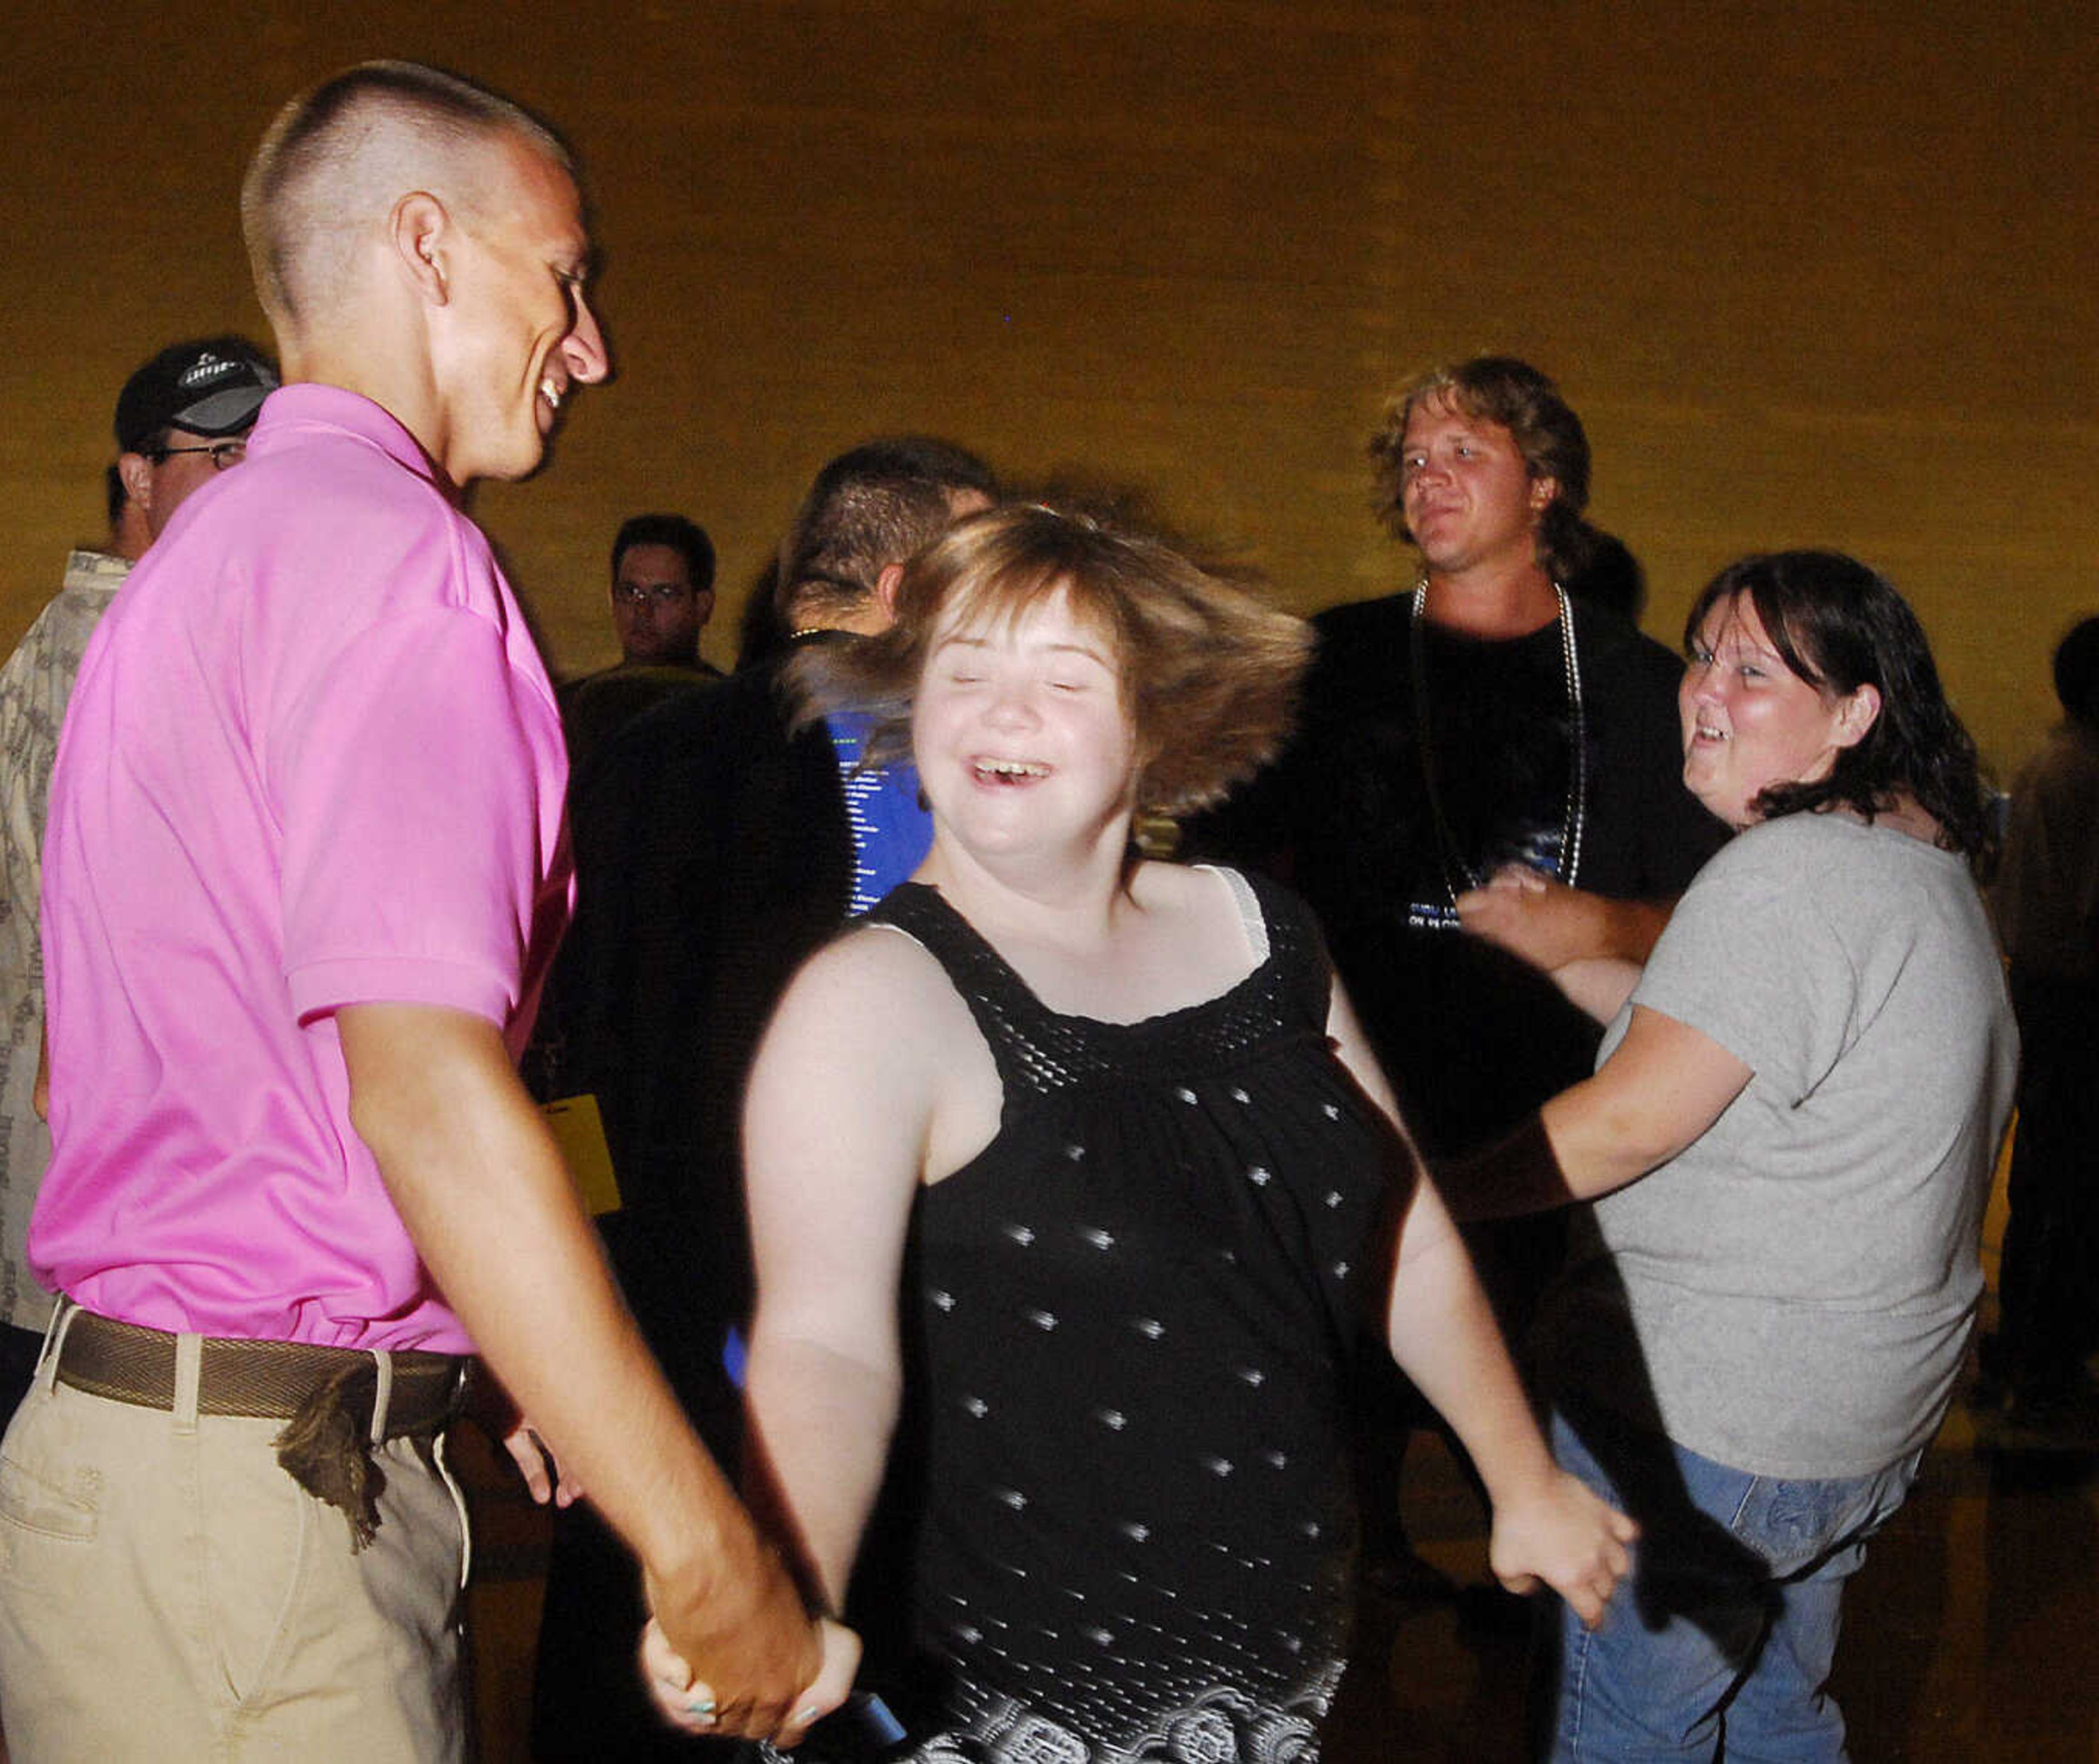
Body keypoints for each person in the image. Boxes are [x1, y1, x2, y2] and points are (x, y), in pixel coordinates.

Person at [0, 62, 829, 1760]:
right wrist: (703, 1537)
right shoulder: (397, 563)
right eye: (566, 275)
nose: (590, 343)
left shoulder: (203, 568)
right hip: (255, 1529)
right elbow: (428, 1088)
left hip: (168, 1477)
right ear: (428, 246)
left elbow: (129, 1079)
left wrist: (479, 1343)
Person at [647, 501, 1636, 1761]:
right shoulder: (875, 996)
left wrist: (1523, 1478)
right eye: (965, 672)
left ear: (1157, 720)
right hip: (1024, 1697)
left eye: (1062, 679)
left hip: (1274, 1673)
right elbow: (826, 1346)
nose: (1003, 713)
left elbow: (1403, 1225)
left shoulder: (1257, 930)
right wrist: (784, 1583)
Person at [1441, 551, 2017, 1759]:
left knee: (1623, 1739)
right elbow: (1713, 1039)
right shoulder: (1908, 864)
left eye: (1755, 671)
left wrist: (1421, 1205)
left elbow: (1628, 1122)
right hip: (1844, 1425)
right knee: (1773, 1715)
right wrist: (1555, 949)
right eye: (1704, 655)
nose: (1705, 688)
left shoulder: (1786, 877)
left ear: (1854, 714)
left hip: (1716, 1422)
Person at [1187, 357, 1722, 1597]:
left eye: (1462, 454)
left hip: (1560, 1089)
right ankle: (1369, 1547)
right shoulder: (1335, 661)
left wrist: (1596, 923)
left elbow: (1714, 916)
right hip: (1356, 1062)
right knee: (1349, 1334)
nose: (1428, 482)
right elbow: (1220, 859)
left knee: (1539, 1335)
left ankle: (1530, 1543)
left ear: (1544, 485)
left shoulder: (1639, 687)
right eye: (1414, 463)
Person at [531, 440, 995, 1764]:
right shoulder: (928, 765)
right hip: (865, 1325)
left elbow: (562, 1050)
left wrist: (592, 1286)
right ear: (909, 584)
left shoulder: (626, 751)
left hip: (656, 1312)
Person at [0, 335, 277, 1542]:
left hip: (28, 1229)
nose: (253, 483)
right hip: (57, 1242)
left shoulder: (111, 635)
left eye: (268, 456)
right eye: (218, 455)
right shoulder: (127, 654)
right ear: (137, 474)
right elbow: (139, 986)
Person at [1980, 614, 2099, 1422]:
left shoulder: (2051, 765)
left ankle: (2021, 1341)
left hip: (2043, 992)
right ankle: (2049, 1362)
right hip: (2080, 1002)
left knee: (2044, 1182)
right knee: (2075, 1186)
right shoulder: (2087, 774)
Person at [559, 512, 726, 764]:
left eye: (665, 594)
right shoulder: (568, 710)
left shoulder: (730, 710)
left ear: (702, 605)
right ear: (612, 599)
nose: (643, 611)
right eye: (631, 592)